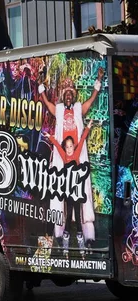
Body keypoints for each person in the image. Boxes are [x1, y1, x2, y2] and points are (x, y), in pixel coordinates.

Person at [40, 67, 104, 250]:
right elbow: (46, 102)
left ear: (74, 96)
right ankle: (60, 233)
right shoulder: (59, 110)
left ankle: (87, 233)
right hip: (63, 160)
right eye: (66, 93)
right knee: (61, 196)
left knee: (82, 196)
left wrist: (98, 81)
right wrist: (41, 87)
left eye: (71, 94)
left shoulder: (78, 108)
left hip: (78, 159)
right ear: (63, 96)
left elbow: (91, 100)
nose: (68, 96)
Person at [45, 120, 94, 255]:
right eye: (67, 147)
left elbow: (83, 139)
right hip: (68, 190)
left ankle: (80, 239)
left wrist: (88, 128)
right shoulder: (64, 156)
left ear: (73, 146)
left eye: (71, 146)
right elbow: (56, 145)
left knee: (78, 214)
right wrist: (50, 138)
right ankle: (66, 239)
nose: (69, 149)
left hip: (77, 190)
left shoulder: (77, 154)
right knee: (68, 214)